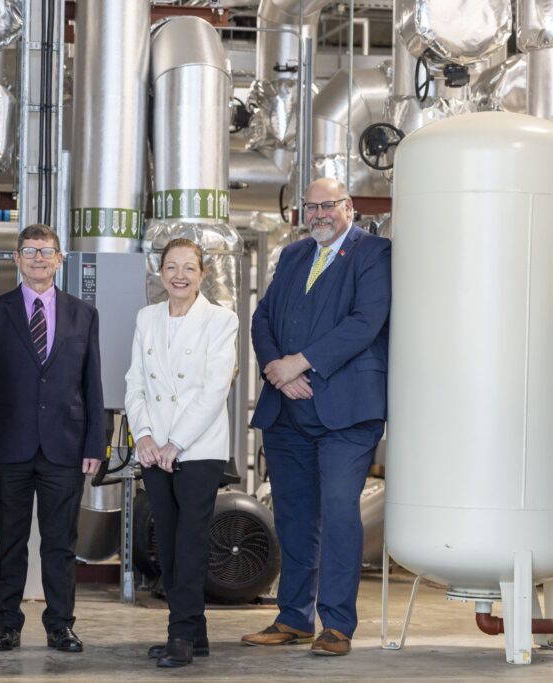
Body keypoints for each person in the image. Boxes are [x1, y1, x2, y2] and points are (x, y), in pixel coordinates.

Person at [243, 178, 391, 656]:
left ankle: (337, 625)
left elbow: (365, 322)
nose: (319, 214)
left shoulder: (374, 253)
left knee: (342, 514)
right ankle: (293, 618)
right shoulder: (293, 255)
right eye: (311, 207)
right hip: (287, 408)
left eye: (328, 205)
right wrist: (277, 369)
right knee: (293, 516)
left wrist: (300, 363)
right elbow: (262, 319)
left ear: (349, 206)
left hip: (346, 412)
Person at [0, 223, 105, 654]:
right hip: (6, 446)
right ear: (16, 259)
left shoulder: (83, 314)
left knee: (60, 544)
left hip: (65, 446)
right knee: (9, 544)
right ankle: (6, 625)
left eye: (46, 251)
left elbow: (92, 383)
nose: (38, 259)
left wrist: (95, 444)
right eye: (29, 251)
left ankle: (60, 626)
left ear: (60, 259)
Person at [123, 238, 239, 669]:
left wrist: (176, 442)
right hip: (155, 450)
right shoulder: (147, 317)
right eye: (172, 267)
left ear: (203, 274)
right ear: (160, 272)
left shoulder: (221, 320)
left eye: (189, 268)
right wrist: (144, 436)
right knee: (168, 543)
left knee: (190, 541)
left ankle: (180, 634)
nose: (180, 276)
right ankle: (195, 632)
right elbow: (135, 382)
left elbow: (214, 390)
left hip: (199, 448)